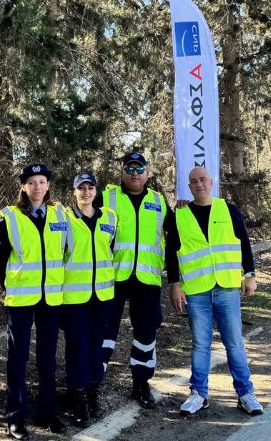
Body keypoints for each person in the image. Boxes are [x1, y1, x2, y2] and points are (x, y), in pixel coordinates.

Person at [166, 166, 263, 417]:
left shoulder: (229, 210)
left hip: (227, 289)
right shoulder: (180, 214)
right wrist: (174, 284)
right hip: (197, 291)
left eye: (203, 180)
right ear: (189, 186)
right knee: (200, 345)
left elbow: (244, 243)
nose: (199, 184)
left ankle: (245, 394)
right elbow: (171, 253)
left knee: (235, 344)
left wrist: (250, 275)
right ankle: (198, 394)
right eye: (194, 181)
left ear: (211, 182)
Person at [0, 163, 71, 439]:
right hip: (21, 300)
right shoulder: (9, 216)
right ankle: (15, 417)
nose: (37, 187)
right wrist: (13, 285)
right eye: (31, 182)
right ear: (23, 187)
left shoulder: (60, 214)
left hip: (51, 298)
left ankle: (47, 413)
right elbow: (0, 260)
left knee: (48, 358)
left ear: (48, 185)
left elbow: (67, 252)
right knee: (18, 358)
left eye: (41, 182)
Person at [100, 152, 168, 408]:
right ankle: (92, 387)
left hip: (147, 280)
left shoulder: (159, 202)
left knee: (145, 335)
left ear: (147, 174)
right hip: (113, 278)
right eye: (130, 168)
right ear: (122, 173)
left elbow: (177, 236)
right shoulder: (107, 197)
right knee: (104, 333)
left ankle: (141, 385)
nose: (135, 173)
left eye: (139, 169)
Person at [61, 171, 117, 425]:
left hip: (103, 296)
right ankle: (78, 398)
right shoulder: (64, 219)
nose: (86, 192)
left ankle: (94, 392)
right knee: (77, 347)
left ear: (96, 191)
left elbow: (113, 250)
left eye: (90, 187)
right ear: (74, 192)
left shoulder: (110, 218)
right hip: (74, 298)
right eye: (81, 188)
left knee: (97, 346)